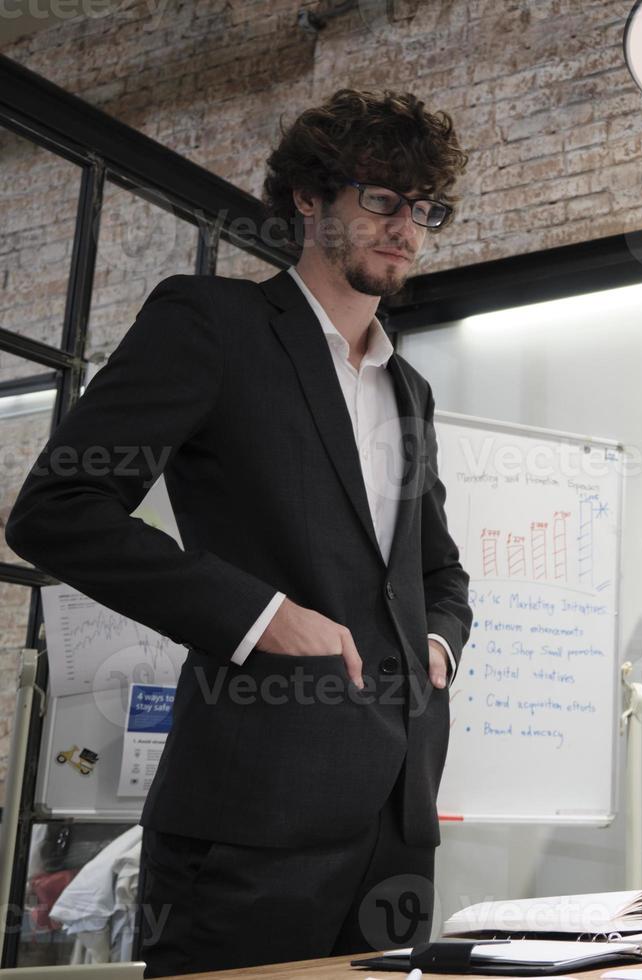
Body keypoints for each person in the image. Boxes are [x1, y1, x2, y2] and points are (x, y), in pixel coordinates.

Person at [6, 89, 472, 976]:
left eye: (426, 209)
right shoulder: (211, 325)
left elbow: (438, 574)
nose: (406, 227)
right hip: (251, 822)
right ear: (308, 196)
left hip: (398, 819)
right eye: (382, 198)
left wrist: (439, 646)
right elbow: (55, 512)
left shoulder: (409, 392)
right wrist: (260, 615)